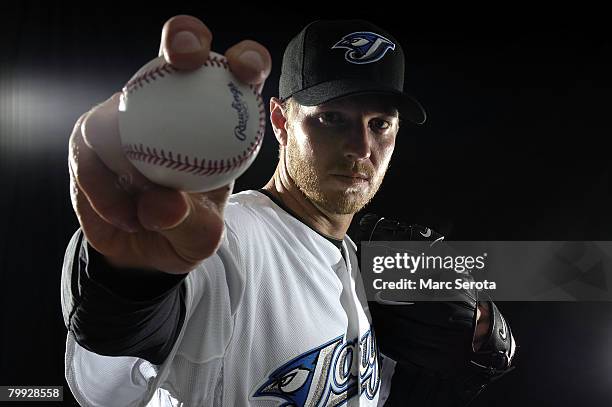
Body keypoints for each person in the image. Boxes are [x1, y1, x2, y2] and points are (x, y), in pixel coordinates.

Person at [62, 15, 515, 406]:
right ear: (280, 120)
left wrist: (477, 339)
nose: (361, 148)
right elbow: (111, 367)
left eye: (380, 125)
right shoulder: (230, 241)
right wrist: (130, 277)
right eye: (332, 117)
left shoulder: (361, 266)